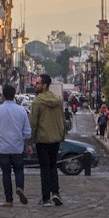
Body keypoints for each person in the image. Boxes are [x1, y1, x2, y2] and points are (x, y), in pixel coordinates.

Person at [0, 83, 31, 206]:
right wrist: (29, 145)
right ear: (14, 95)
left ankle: (9, 200)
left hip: (3, 147)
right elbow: (27, 131)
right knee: (19, 170)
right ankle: (20, 187)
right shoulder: (21, 110)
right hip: (17, 146)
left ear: (3, 96)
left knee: (6, 173)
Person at [29, 74, 67, 206]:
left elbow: (33, 123)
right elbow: (62, 119)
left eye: (38, 83)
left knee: (44, 169)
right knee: (53, 167)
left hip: (42, 139)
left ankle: (45, 198)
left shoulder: (37, 101)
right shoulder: (58, 99)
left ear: (44, 85)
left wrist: (30, 141)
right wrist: (62, 135)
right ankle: (55, 193)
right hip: (55, 139)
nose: (35, 85)